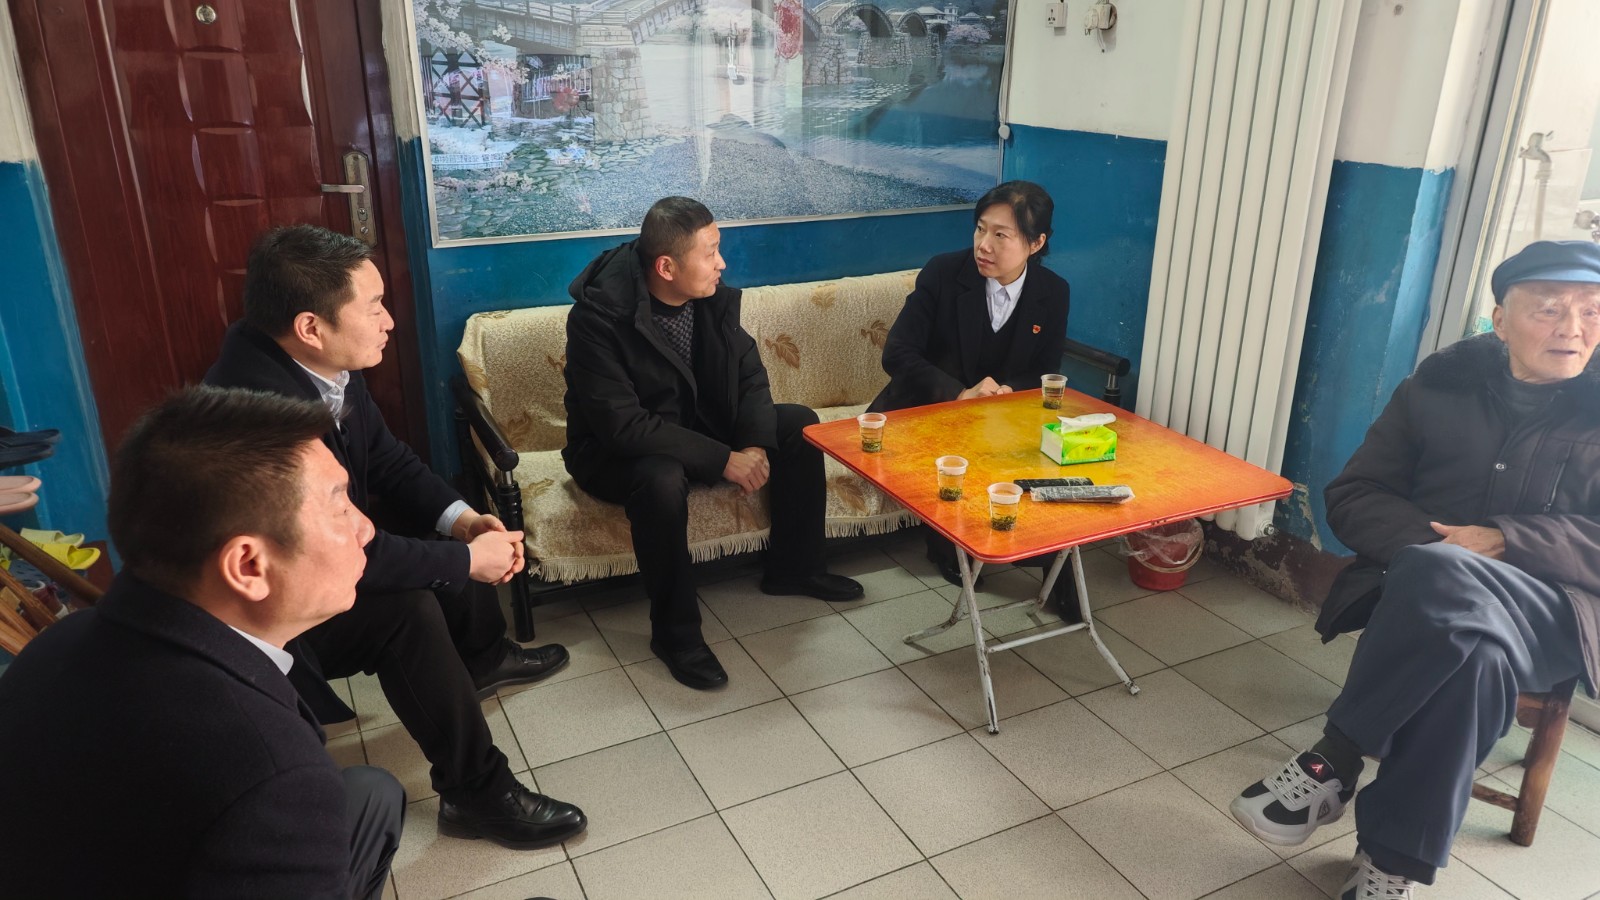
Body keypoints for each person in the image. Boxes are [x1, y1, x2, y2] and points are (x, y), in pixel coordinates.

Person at [1229, 240, 1600, 900]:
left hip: (1552, 611)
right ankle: (1390, 865)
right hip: (1422, 592)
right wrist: (1441, 551)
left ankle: (1336, 755)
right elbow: (1354, 494)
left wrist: (1506, 540)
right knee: (1474, 656)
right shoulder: (1435, 391)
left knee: (1443, 578)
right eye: (1549, 309)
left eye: (1592, 311)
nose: (1572, 328)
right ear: (1499, 319)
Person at [205, 225, 586, 849]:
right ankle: (475, 793)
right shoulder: (260, 418)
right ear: (311, 326)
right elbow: (337, 551)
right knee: (409, 608)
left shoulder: (321, 364)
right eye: (374, 306)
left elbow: (385, 459)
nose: (389, 321)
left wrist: (463, 521)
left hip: (323, 556)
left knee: (439, 527)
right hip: (272, 612)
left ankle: (484, 659)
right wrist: (466, 560)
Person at [0, 386, 402, 898]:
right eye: (338, 506)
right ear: (248, 566)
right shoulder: (272, 775)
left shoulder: (59, 643)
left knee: (372, 793)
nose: (365, 528)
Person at [563, 196, 864, 690]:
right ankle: (676, 634)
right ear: (666, 267)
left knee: (797, 423)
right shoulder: (597, 318)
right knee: (661, 478)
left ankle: (795, 569)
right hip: (614, 452)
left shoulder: (709, 296)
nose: (722, 263)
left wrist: (755, 447)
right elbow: (623, 426)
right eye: (710, 253)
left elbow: (750, 376)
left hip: (697, 426)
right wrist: (723, 459)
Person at [867, 181, 1076, 614]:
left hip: (999, 417)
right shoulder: (944, 273)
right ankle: (947, 545)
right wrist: (960, 393)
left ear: (1036, 243)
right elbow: (898, 353)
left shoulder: (1053, 291)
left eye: (1001, 235)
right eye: (981, 229)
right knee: (963, 454)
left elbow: (1044, 370)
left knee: (1053, 457)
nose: (984, 245)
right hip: (927, 410)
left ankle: (1057, 571)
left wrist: (1009, 392)